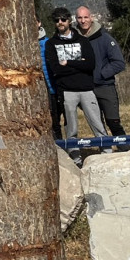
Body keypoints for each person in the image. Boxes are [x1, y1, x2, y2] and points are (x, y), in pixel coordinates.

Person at [42, 8, 108, 166]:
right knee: (71, 128)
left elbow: (90, 64)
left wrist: (68, 63)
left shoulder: (83, 41)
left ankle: (106, 153)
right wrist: (79, 64)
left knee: (97, 124)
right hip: (66, 91)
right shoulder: (51, 44)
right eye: (57, 20)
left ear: (69, 21)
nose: (60, 22)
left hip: (86, 89)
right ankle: (75, 159)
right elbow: (56, 69)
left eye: (63, 19)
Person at [75, 5, 128, 147]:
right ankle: (105, 150)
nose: (83, 21)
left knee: (113, 122)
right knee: (97, 124)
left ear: (91, 18)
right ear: (76, 19)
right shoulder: (74, 40)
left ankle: (125, 149)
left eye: (86, 17)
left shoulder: (105, 38)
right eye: (80, 18)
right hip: (85, 88)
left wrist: (101, 74)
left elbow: (119, 63)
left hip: (105, 87)